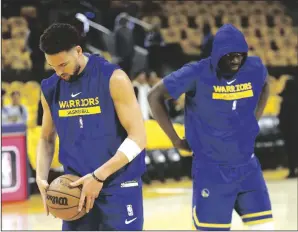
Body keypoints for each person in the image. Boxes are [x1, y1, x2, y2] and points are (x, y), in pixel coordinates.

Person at [148, 24, 273, 231]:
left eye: (240, 55)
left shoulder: (254, 67)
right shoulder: (196, 72)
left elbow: (266, 85)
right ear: (217, 54)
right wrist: (175, 140)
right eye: (230, 55)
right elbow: (154, 96)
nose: (236, 60)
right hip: (211, 170)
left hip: (247, 165)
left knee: (265, 227)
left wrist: (254, 118)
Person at [36, 23, 146, 231]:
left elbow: (138, 137)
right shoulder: (50, 88)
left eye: (63, 64)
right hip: (75, 188)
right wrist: (41, 177)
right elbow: (46, 138)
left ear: (78, 51)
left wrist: (99, 176)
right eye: (53, 66)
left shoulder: (114, 78)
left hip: (118, 186)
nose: (59, 72)